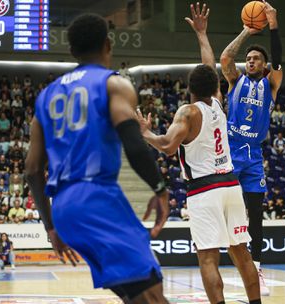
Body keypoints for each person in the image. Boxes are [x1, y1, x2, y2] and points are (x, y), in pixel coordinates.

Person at [25, 13, 169, 303]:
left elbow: (31, 170)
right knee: (153, 295)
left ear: (72, 51)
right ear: (108, 44)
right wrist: (159, 188)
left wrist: (51, 226)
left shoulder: (45, 97)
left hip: (63, 207)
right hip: (97, 198)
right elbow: (133, 142)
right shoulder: (113, 84)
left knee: (139, 295)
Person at [137, 4, 261, 304]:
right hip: (231, 185)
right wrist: (202, 35)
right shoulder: (218, 104)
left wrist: (145, 133)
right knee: (241, 253)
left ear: (188, 89)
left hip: (204, 189)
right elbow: (209, 65)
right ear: (213, 87)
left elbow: (167, 146)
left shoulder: (188, 111)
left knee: (207, 258)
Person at [220, 0, 282, 295]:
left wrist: (273, 25)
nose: (251, 61)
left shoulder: (270, 85)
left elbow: (279, 59)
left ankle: (257, 269)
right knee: (228, 211)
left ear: (265, 64)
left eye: (256, 58)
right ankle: (231, 260)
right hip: (230, 153)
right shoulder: (235, 81)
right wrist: (246, 32)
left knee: (255, 214)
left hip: (254, 156)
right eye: (250, 58)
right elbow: (225, 58)